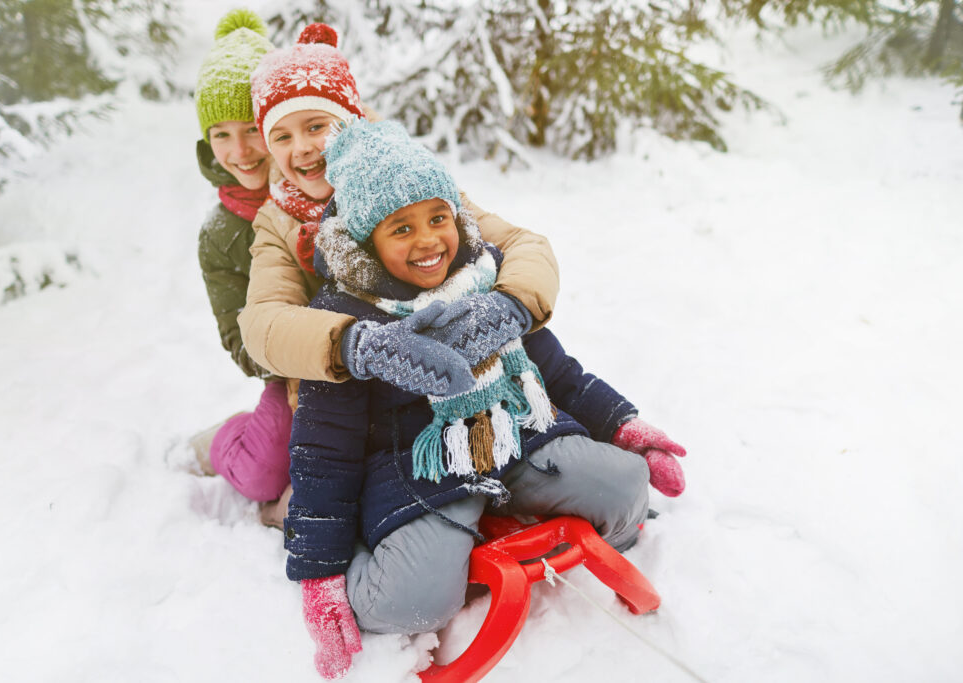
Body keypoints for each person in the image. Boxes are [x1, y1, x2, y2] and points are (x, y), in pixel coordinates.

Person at [284, 118, 689, 679]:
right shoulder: (347, 324)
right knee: (409, 605)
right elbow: (324, 450)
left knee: (623, 489)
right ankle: (377, 557)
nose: (429, 241)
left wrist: (622, 422)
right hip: (417, 470)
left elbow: (557, 373)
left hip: (513, 432)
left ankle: (512, 502)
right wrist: (320, 572)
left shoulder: (484, 281)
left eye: (438, 218)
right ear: (366, 244)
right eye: (400, 230)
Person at [238, 24, 560, 394]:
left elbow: (524, 244)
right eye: (282, 136)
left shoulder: (405, 180)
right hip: (349, 401)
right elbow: (263, 321)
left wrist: (511, 305)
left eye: (316, 127)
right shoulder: (277, 219)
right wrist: (357, 346)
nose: (302, 147)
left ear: (349, 122)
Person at [191, 9, 291, 524]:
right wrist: (303, 361)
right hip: (295, 370)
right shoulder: (221, 236)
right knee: (262, 474)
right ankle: (224, 441)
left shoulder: (318, 184)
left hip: (368, 359)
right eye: (220, 134)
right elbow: (239, 339)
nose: (239, 151)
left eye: (251, 128)